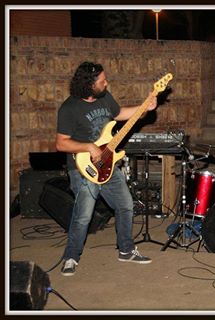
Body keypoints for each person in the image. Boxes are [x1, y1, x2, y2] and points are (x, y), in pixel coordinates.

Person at [56, 61, 156, 276]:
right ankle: (71, 257)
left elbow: (119, 114)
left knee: (126, 205)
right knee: (83, 215)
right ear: (90, 84)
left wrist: (143, 107)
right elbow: (61, 143)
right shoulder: (69, 108)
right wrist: (88, 146)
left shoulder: (104, 97)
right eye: (102, 81)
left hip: (109, 163)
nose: (106, 82)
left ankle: (126, 250)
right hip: (83, 167)